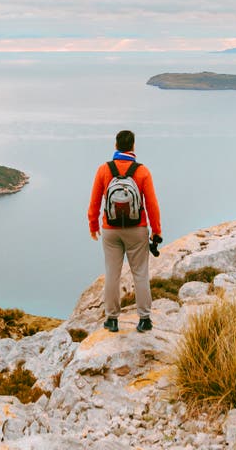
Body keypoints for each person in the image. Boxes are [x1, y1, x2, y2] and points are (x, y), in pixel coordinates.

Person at [88, 129, 162, 333]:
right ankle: (145, 319)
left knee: (112, 274)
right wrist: (156, 231)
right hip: (137, 229)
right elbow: (152, 205)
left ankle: (112, 319)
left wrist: (93, 225)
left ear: (115, 146)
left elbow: (94, 202)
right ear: (133, 147)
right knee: (140, 274)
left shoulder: (104, 170)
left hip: (110, 230)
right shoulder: (142, 171)